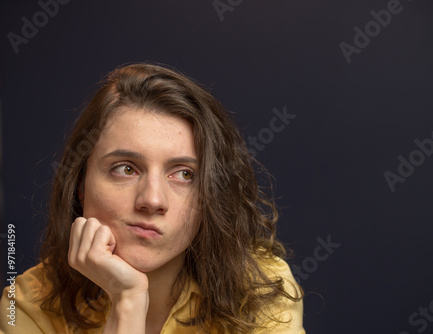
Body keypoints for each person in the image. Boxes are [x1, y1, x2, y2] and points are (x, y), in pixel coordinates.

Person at [0, 63, 304, 333]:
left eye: (184, 174)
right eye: (126, 169)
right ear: (80, 184)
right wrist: (127, 300)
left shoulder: (262, 289)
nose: (153, 200)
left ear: (210, 194)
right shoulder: (28, 306)